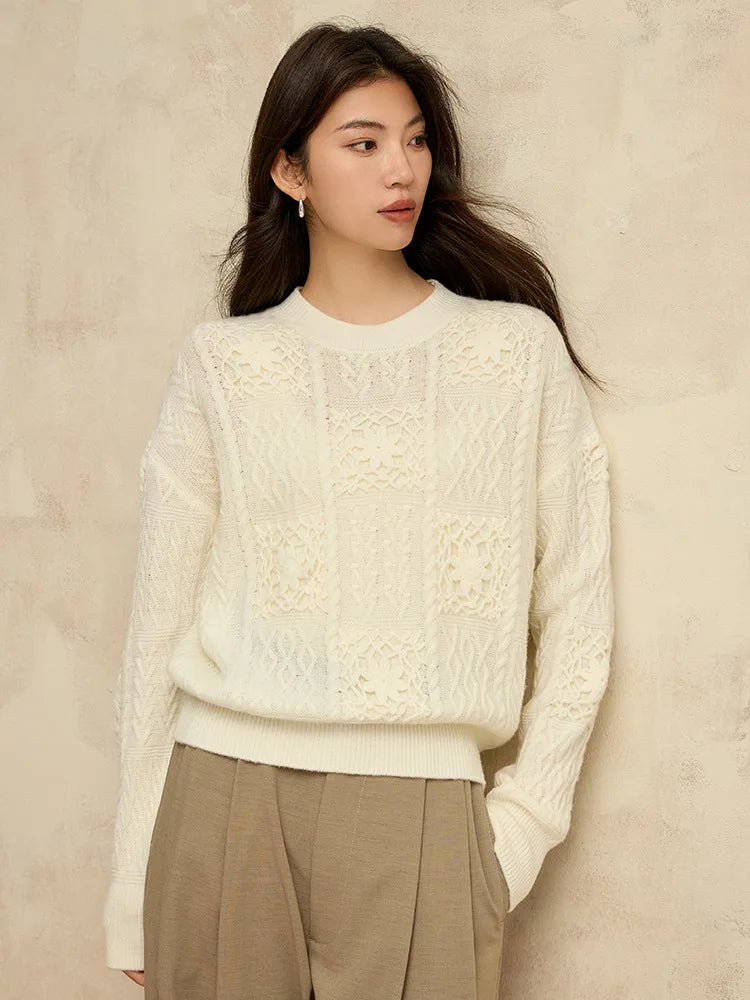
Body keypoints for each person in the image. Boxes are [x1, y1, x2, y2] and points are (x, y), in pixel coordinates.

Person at [102, 19, 615, 1000]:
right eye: (364, 141)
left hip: (422, 810)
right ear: (290, 170)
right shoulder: (224, 365)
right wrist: (133, 878)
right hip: (222, 801)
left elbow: (579, 611)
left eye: (415, 139)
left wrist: (517, 833)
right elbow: (156, 629)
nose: (401, 168)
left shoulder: (515, 354)